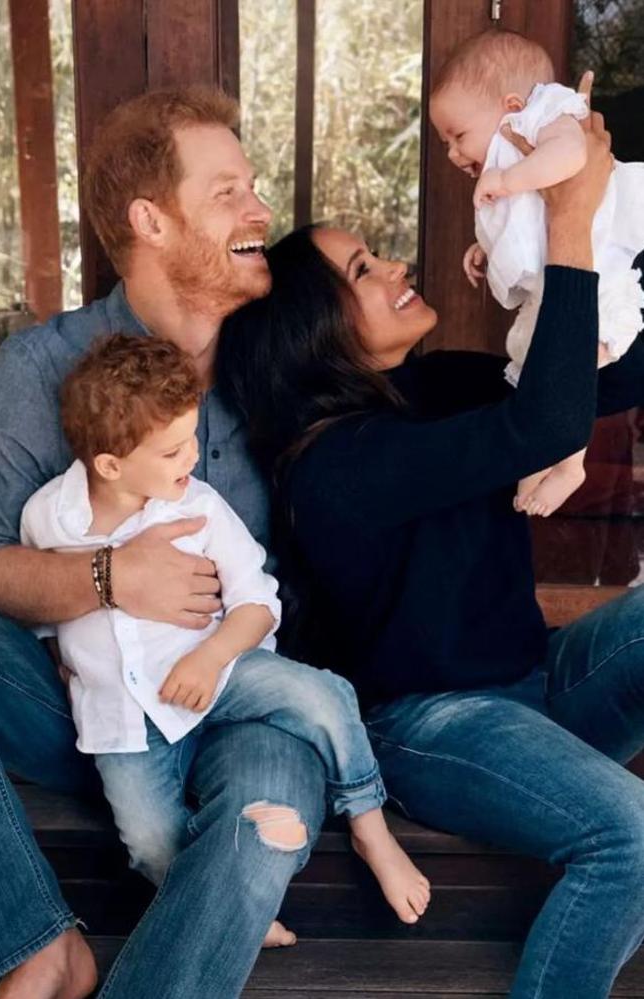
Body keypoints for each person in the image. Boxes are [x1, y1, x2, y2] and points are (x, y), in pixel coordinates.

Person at [217, 104, 644, 998]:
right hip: (434, 727)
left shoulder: (431, 385)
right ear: (311, 330)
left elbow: (597, 382)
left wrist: (591, 234)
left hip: (532, 689)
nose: (397, 266)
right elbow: (546, 422)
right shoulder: (334, 464)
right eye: (364, 270)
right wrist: (563, 215)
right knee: (628, 837)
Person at [0, 86, 329, 999]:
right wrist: (107, 577)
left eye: (253, 187)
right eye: (228, 192)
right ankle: (36, 942)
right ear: (151, 218)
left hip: (243, 697)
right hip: (89, 713)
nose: (261, 209)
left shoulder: (285, 357)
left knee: (267, 823)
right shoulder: (36, 371)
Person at [19, 332, 430, 929]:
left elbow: (258, 603)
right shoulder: (48, 517)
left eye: (191, 438)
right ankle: (222, 903)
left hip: (222, 668)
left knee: (324, 696)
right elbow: (43, 603)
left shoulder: (200, 507)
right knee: (147, 839)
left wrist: (211, 657)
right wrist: (60, 651)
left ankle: (370, 827)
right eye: (171, 451)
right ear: (110, 465)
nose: (191, 458)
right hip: (124, 719)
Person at [429, 30, 644, 518]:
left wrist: (506, 179)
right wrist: (484, 249)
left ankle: (570, 465)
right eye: (445, 142)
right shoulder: (518, 152)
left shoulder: (551, 115)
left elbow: (572, 158)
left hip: (601, 283)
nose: (452, 154)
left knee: (568, 371)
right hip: (555, 290)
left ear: (510, 105)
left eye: (458, 136)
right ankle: (541, 456)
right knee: (538, 373)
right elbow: (527, 225)